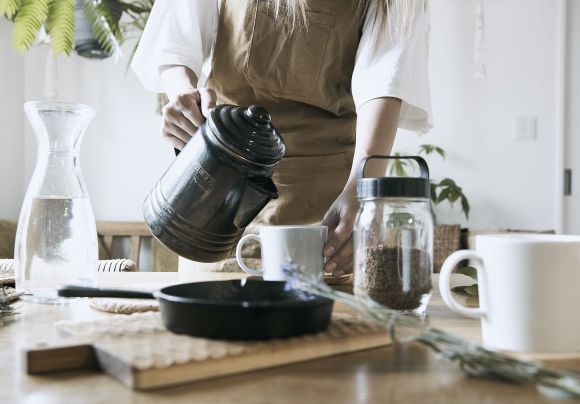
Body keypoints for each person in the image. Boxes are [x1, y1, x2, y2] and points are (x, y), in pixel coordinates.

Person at [131, 0, 432, 277]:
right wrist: (185, 95)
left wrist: (362, 189)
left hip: (325, 210)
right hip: (216, 195)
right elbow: (174, 42)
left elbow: (384, 80)